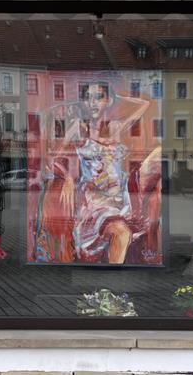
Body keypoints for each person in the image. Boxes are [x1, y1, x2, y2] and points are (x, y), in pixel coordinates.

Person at [34, 83, 163, 264]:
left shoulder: (116, 126)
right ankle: (112, 284)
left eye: (99, 97)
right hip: (95, 200)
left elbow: (144, 105)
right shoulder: (78, 128)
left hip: (121, 194)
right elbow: (51, 160)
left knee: (159, 156)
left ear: (108, 101)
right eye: (87, 98)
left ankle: (144, 249)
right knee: (122, 232)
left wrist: (117, 97)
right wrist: (68, 177)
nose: (92, 103)